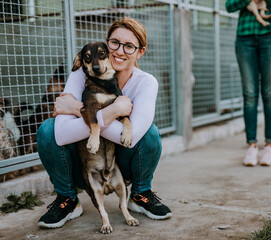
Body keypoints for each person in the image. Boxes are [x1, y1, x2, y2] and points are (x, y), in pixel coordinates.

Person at [36, 16, 172, 228]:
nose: (120, 51)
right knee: (47, 129)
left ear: (140, 52)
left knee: (151, 133)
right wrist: (111, 112)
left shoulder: (145, 82)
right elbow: (61, 133)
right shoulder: (83, 73)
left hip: (121, 162)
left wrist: (78, 110)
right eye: (115, 43)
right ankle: (68, 199)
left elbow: (133, 137)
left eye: (129, 46)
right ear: (106, 43)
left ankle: (140, 193)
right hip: (85, 165)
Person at [225, 0, 271, 166]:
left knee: (270, 93)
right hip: (245, 38)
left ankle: (269, 146)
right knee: (249, 93)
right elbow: (230, 6)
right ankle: (251, 145)